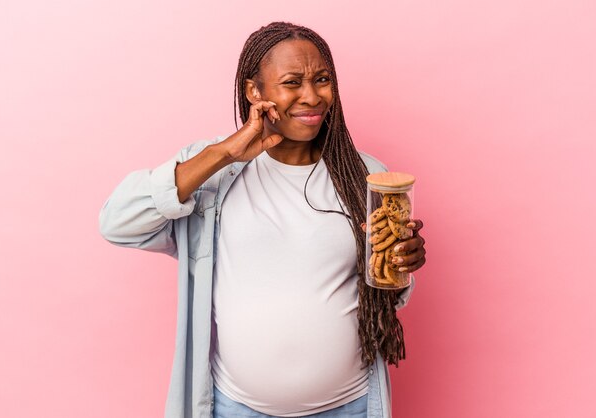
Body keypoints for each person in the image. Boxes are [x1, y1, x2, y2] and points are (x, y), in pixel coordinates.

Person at [99, 21, 426, 418]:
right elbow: (118, 223)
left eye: (322, 79)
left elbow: (386, 290)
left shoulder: (365, 175)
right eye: (292, 82)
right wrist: (223, 154)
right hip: (235, 408)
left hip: (350, 406)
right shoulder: (213, 174)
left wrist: (403, 261)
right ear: (255, 91)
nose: (312, 96)